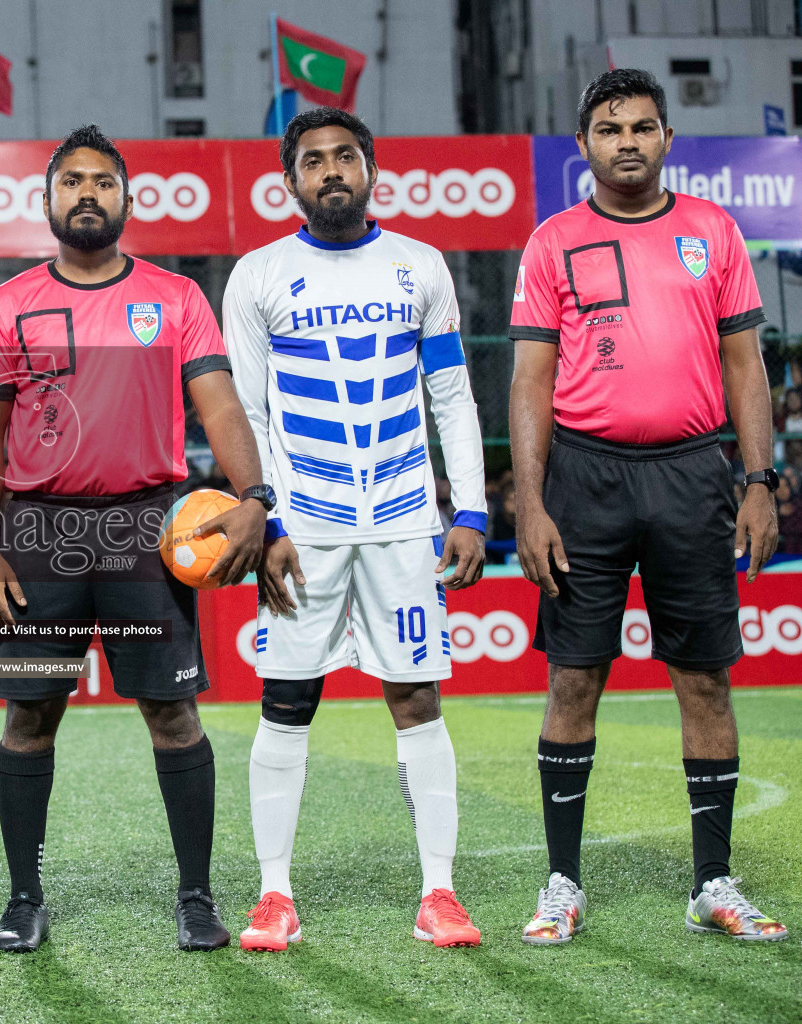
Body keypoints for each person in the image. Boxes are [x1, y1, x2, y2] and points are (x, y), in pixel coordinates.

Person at [0, 124, 270, 953]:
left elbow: (221, 407)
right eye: (73, 182)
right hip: (38, 537)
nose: (88, 193)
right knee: (30, 716)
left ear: (128, 199)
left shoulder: (174, 298)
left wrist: (255, 497)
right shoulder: (7, 305)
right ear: (49, 199)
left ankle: (197, 897)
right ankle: (25, 898)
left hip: (149, 533)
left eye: (103, 181)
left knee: (173, 713)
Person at [509, 68, 785, 944]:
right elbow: (529, 381)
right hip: (583, 480)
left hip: (694, 476)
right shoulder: (552, 241)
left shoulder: (714, 229)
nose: (626, 141)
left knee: (704, 678)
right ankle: (561, 883)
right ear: (583, 145)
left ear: (667, 138)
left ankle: (713, 882)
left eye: (641, 127)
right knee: (574, 679)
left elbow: (747, 367)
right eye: (608, 128)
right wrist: (531, 502)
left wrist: (757, 480)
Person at [224, 107, 488, 952]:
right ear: (289, 180)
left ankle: (439, 893)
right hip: (303, 530)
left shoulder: (421, 268)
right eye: (312, 161)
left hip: (407, 523)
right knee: (287, 702)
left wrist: (471, 510)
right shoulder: (258, 275)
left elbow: (450, 396)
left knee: (416, 698)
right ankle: (274, 896)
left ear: (372, 170)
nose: (330, 171)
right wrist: (265, 519)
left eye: (345, 157)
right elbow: (249, 411)